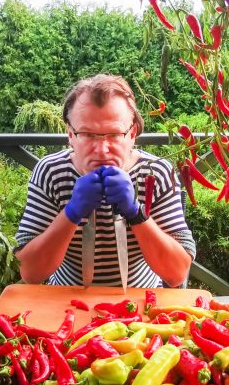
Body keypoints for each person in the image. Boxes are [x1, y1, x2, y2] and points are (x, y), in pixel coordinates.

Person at [15, 74, 195, 288]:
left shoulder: (156, 173)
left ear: (132, 133)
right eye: (87, 135)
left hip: (140, 299)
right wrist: (71, 213)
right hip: (67, 300)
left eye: (114, 134)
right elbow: (30, 272)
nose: (101, 150)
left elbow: (176, 274)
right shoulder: (50, 172)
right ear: (70, 134)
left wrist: (136, 213)